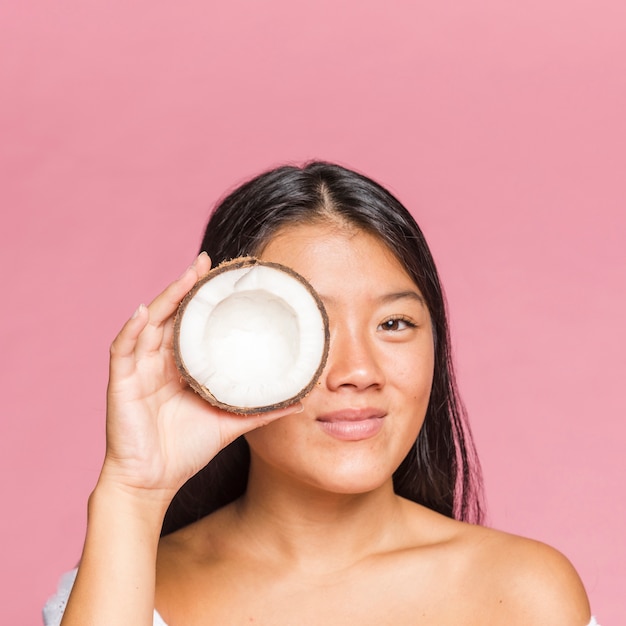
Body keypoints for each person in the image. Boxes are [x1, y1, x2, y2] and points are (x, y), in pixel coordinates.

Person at [44, 162, 597, 625]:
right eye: (314, 329)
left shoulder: (525, 595)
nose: (359, 371)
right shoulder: (118, 593)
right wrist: (132, 492)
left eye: (395, 324)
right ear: (216, 348)